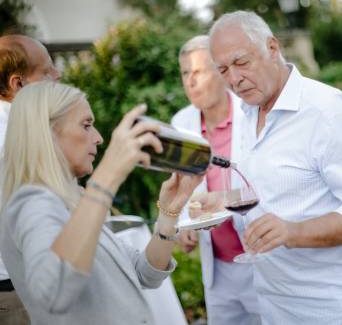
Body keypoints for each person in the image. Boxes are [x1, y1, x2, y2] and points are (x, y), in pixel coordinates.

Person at [208, 11, 342, 324]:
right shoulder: (247, 111)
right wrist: (215, 205)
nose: (234, 79)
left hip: (337, 309)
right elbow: (265, 187)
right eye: (223, 69)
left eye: (241, 62)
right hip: (276, 308)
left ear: (273, 47)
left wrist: (293, 232)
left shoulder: (325, 109)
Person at [0, 81, 202, 324]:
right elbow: (54, 292)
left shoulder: (73, 200)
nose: (98, 138)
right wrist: (107, 178)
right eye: (86, 126)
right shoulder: (31, 201)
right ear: (46, 131)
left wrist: (170, 212)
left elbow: (144, 272)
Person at [171, 35, 260, 325]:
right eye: (185, 73)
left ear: (221, 73)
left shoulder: (253, 114)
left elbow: (270, 183)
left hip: (260, 259)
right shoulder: (181, 124)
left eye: (198, 72)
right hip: (217, 269)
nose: (190, 81)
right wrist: (183, 223)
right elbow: (180, 184)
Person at [0, 34, 61, 325]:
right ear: (18, 84)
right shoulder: (12, 139)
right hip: (14, 291)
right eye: (47, 70)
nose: (57, 75)